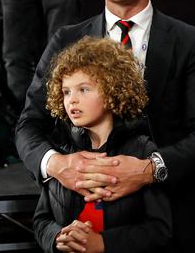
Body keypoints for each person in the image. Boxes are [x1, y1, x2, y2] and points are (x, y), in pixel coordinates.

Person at [15, 0, 195, 252]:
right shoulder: (65, 41)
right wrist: (58, 165)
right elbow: (29, 125)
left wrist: (147, 170)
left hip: (179, 226)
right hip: (85, 229)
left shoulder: (191, 42)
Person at [34, 37, 171, 253]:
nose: (72, 100)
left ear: (112, 91)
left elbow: (159, 229)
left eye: (84, 89)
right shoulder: (61, 152)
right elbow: (42, 220)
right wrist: (57, 237)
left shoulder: (141, 151)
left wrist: (104, 243)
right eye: (66, 91)